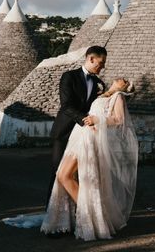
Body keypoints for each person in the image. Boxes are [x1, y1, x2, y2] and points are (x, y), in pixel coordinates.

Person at [41, 77, 138, 241]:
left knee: (65, 176)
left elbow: (119, 120)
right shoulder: (102, 95)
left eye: (126, 81)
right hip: (79, 136)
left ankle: (89, 215)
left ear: (125, 88)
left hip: (91, 140)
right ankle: (79, 215)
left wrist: (97, 120)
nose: (122, 78)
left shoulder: (118, 97)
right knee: (61, 175)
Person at [46, 45, 108, 205]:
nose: (102, 67)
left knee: (80, 175)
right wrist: (85, 118)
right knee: (59, 174)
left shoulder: (97, 82)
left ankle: (74, 215)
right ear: (91, 58)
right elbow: (66, 105)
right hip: (64, 133)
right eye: (100, 63)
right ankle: (51, 214)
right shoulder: (69, 77)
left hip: (83, 136)